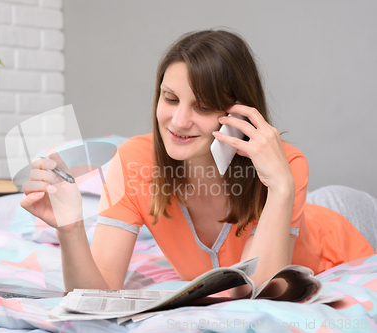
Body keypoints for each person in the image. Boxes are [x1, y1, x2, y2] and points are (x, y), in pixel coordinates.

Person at [20, 29, 375, 293]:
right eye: (170, 98)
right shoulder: (133, 161)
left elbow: (260, 290)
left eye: (203, 107)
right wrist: (70, 229)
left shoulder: (287, 167)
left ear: (237, 113)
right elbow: (96, 295)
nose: (178, 121)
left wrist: (281, 186)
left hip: (340, 231)